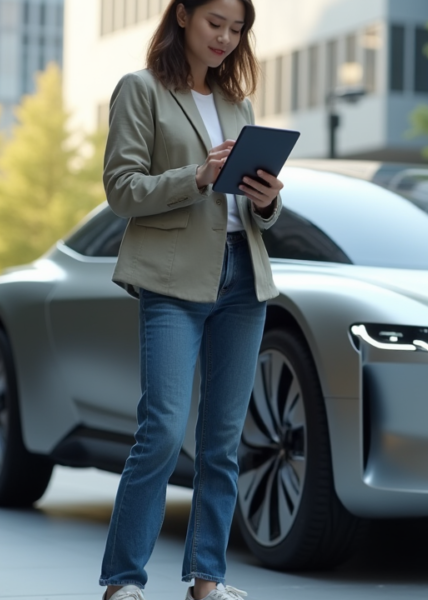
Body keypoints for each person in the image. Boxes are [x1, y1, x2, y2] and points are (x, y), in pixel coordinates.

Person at [99, 1, 283, 599]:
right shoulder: (141, 90)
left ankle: (208, 581)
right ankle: (123, 581)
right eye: (216, 24)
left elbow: (256, 213)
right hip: (173, 280)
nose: (226, 38)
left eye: (237, 30)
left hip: (241, 279)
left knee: (223, 441)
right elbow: (122, 191)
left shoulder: (238, 103)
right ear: (182, 15)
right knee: (160, 431)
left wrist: (265, 199)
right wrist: (198, 176)